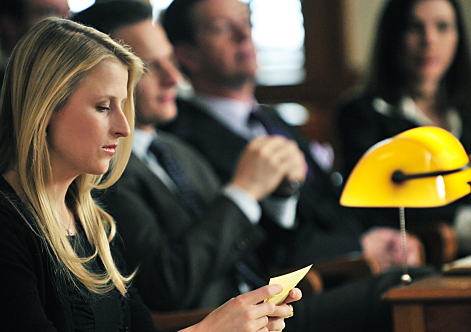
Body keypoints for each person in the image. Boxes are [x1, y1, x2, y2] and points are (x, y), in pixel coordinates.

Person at [0, 17, 300, 331]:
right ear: (46, 109)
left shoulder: (93, 222)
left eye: (123, 106)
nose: (124, 128)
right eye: (103, 107)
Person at [161, 0, 435, 331]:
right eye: (221, 27)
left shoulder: (274, 118)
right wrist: (358, 247)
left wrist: (374, 237)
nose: (244, 35)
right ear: (188, 55)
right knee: (424, 290)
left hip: (340, 269)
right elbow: (255, 242)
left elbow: (333, 200)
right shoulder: (181, 139)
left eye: (246, 21)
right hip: (289, 293)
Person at [72, 0, 306, 313]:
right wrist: (243, 192)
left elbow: (255, 258)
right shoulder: (102, 170)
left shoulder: (180, 151)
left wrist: (281, 197)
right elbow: (166, 286)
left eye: (170, 60)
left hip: (268, 309)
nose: (174, 77)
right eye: (149, 66)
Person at [335, 0, 471, 251]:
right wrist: (460, 220)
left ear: (458, 37)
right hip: (424, 255)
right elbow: (376, 206)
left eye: (442, 27)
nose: (428, 39)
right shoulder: (361, 114)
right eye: (413, 27)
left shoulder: (464, 109)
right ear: (393, 35)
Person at [0, 0, 71, 182]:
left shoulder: (81, 85)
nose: (67, 23)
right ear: (8, 24)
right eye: (50, 12)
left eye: (68, 13)